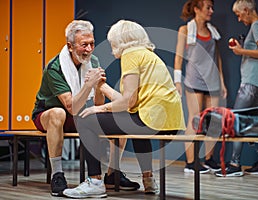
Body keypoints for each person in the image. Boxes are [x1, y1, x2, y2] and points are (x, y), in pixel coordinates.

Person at [75, 19, 186, 194]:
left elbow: (128, 102)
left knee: (86, 120)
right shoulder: (148, 55)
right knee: (133, 122)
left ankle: (94, 183)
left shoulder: (130, 55)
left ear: (119, 41)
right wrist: (102, 87)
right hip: (171, 122)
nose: (111, 47)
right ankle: (148, 180)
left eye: (112, 42)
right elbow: (131, 103)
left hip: (150, 120)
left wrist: (100, 109)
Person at [32, 20, 139, 198]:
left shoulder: (93, 60)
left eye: (92, 44)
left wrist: (98, 88)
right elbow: (70, 107)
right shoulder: (54, 67)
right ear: (70, 46)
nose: (89, 49)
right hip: (49, 115)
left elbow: (97, 104)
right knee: (58, 113)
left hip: (79, 115)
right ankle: (57, 174)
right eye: (84, 45)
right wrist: (89, 84)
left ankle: (113, 174)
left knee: (116, 114)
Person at [215, 0, 258, 177]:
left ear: (247, 10)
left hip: (251, 83)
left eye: (239, 15)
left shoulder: (257, 26)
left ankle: (234, 164)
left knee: (236, 119)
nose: (239, 19)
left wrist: (241, 52)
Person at [173, 0, 227, 173]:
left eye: (212, 7)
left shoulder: (213, 31)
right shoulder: (185, 30)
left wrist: (222, 82)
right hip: (194, 80)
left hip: (212, 81)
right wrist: (177, 81)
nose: (211, 11)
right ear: (197, 9)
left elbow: (217, 57)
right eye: (207, 8)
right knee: (195, 119)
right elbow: (179, 57)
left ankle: (209, 159)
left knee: (214, 121)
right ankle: (191, 162)